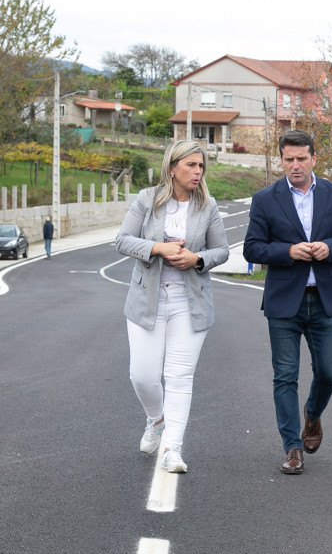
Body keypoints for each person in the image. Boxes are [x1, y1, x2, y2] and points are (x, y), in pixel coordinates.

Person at [243, 130, 332, 475]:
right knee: (285, 376)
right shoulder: (266, 198)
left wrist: (330, 248)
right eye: (288, 159)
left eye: (301, 158)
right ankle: (292, 447)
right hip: (283, 301)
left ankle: (313, 413)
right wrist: (287, 251)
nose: (295, 165)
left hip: (323, 299)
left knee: (330, 370)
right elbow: (252, 248)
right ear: (281, 160)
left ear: (313, 158)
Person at [116, 140, 229, 473]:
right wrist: (158, 247)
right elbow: (122, 240)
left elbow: (220, 250)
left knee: (180, 378)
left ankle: (173, 450)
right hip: (146, 299)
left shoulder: (207, 206)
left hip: (189, 302)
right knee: (143, 375)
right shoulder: (146, 199)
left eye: (201, 166)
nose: (197, 172)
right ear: (172, 167)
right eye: (191, 165)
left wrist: (197, 258)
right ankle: (156, 419)